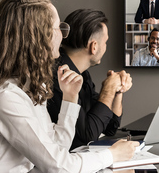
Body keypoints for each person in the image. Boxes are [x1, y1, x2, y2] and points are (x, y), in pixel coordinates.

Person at [0, 0, 138, 172]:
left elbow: (57, 148)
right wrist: (111, 155)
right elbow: (59, 167)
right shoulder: (7, 98)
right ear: (38, 38)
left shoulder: (30, 86)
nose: (63, 36)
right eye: (59, 28)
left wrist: (70, 98)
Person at [47, 9, 134, 150]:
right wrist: (108, 89)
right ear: (94, 47)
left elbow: (110, 128)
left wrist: (118, 90)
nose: (106, 47)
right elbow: (87, 136)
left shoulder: (83, 75)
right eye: (105, 42)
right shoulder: (59, 76)